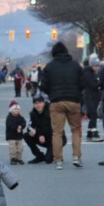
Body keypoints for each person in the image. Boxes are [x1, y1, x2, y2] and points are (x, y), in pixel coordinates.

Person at [40, 40, 85, 169]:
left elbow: (43, 86)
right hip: (73, 101)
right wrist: (77, 93)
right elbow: (83, 83)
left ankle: (58, 160)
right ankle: (76, 157)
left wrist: (51, 93)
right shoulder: (76, 66)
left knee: (57, 132)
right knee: (76, 130)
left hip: (56, 101)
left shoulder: (49, 67)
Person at [24, 93, 55, 164]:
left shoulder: (50, 111)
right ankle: (39, 156)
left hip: (53, 138)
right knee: (26, 135)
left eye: (40, 102)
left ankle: (57, 151)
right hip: (42, 138)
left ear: (44, 103)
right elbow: (29, 126)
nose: (38, 105)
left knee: (48, 160)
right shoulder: (33, 113)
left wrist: (39, 133)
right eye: (35, 103)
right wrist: (31, 131)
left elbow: (49, 127)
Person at [81, 54, 104, 142]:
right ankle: (94, 134)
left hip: (92, 96)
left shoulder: (91, 72)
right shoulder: (87, 73)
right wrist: (99, 84)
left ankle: (89, 134)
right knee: (93, 114)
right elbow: (93, 85)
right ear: (91, 65)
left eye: (98, 65)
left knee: (93, 115)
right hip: (90, 97)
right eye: (96, 66)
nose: (97, 67)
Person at [5, 100, 27, 165]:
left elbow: (24, 122)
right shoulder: (9, 117)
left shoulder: (20, 117)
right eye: (15, 109)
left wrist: (21, 126)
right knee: (13, 149)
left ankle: (19, 158)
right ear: (11, 110)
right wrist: (16, 128)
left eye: (17, 109)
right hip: (11, 136)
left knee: (20, 148)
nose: (16, 110)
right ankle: (13, 159)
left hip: (19, 136)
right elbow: (9, 125)